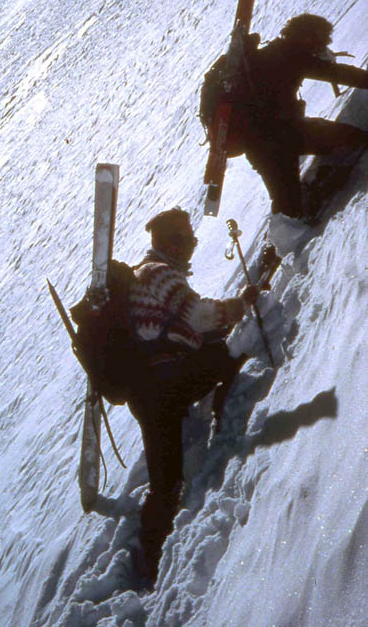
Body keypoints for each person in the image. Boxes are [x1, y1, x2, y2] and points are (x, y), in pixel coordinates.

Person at [123, 207, 258, 580]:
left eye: (194, 239)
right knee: (228, 356)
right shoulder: (160, 274)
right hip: (165, 383)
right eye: (185, 239)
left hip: (149, 391)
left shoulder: (148, 274)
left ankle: (146, 561)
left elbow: (183, 322)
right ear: (167, 242)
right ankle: (226, 420)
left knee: (164, 480)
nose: (192, 247)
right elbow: (197, 316)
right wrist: (240, 306)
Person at [215, 13, 368, 219]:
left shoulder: (269, 53)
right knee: (355, 139)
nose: (322, 46)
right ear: (307, 37)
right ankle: (319, 182)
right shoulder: (291, 56)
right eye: (321, 40)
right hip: (287, 136)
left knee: (288, 209)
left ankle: (288, 227)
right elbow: (339, 73)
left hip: (259, 147)